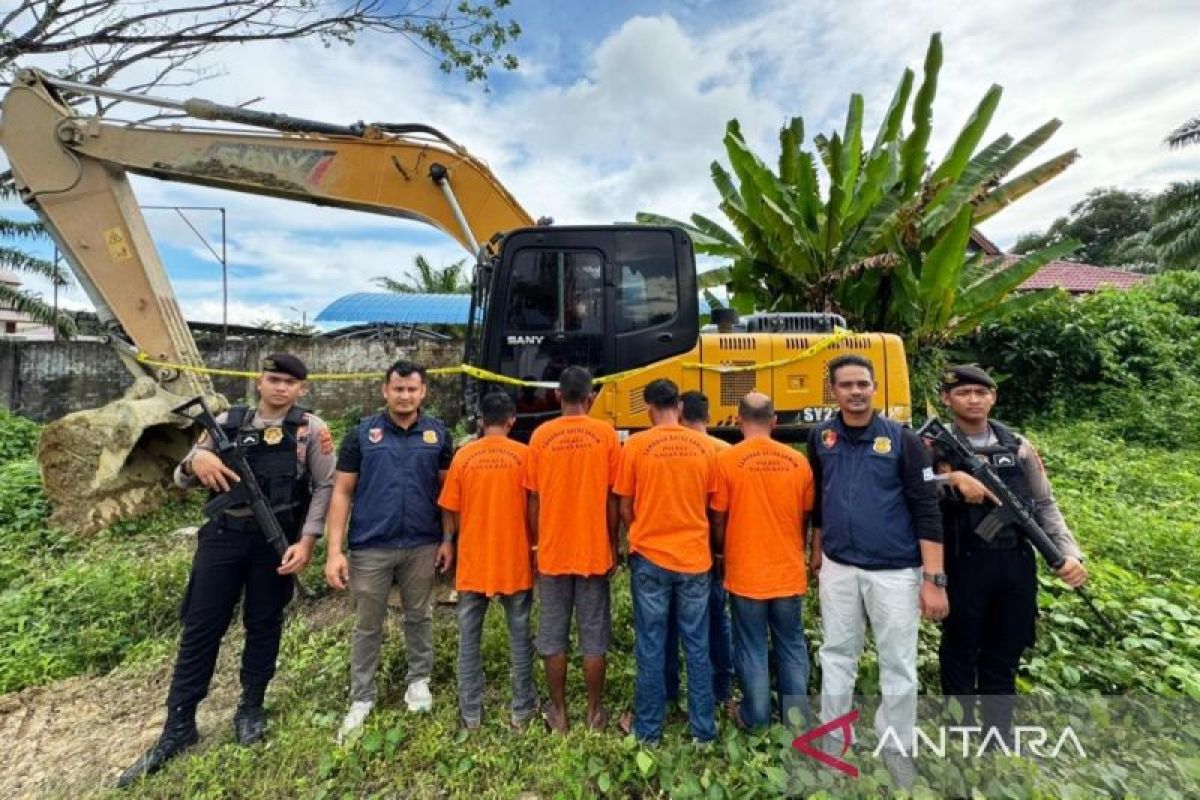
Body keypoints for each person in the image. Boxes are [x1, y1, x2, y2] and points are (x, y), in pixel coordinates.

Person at [118, 354, 335, 787]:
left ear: (302, 389)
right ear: (260, 381)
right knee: (201, 627)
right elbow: (183, 478)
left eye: (290, 383)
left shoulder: (312, 429)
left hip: (276, 540)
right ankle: (178, 726)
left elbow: (326, 486)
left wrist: (308, 541)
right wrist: (194, 462)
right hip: (223, 536)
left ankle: (250, 707)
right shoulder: (223, 421)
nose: (280, 388)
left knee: (264, 624)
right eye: (274, 379)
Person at [807, 354, 946, 789]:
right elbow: (818, 503)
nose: (855, 392)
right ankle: (833, 741)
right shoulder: (821, 438)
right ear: (833, 391)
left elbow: (927, 510)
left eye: (862, 384)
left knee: (899, 662)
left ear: (874, 387)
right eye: (846, 385)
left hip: (894, 572)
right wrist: (815, 553)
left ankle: (897, 746)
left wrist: (933, 580)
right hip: (839, 568)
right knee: (836, 654)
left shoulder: (903, 442)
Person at [932, 365, 1087, 743]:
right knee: (959, 652)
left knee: (1004, 651)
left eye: (981, 392)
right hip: (963, 562)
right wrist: (949, 478)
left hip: (1015, 563)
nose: (973, 399)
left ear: (993, 397)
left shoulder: (1018, 446)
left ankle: (997, 737)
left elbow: (1045, 503)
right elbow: (911, 486)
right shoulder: (929, 445)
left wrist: (1069, 554)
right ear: (946, 399)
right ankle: (959, 736)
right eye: (963, 392)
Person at [325, 360, 453, 740]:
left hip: (422, 543)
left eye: (412, 389)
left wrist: (447, 539)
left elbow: (448, 494)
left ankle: (419, 681)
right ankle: (362, 697)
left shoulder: (437, 434)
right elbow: (342, 492)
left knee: (420, 615)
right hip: (371, 546)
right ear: (385, 391)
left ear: (423, 392)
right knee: (368, 624)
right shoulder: (362, 435)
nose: (405, 396)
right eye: (398, 389)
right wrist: (335, 551)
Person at [615, 378, 718, 745]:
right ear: (680, 405)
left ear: (649, 409)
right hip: (694, 559)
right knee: (697, 646)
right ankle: (704, 733)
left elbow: (625, 506)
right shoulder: (704, 447)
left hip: (650, 559)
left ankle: (649, 732)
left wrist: (640, 530)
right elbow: (713, 505)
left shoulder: (636, 446)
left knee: (651, 644)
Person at [524, 366, 620, 733]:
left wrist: (536, 543)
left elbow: (533, 499)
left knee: (552, 635)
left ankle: (560, 714)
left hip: (552, 551)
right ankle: (595, 713)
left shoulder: (541, 436)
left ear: (558, 397)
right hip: (594, 552)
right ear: (591, 398)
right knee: (593, 637)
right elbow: (613, 499)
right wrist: (612, 543)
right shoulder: (606, 435)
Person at [711, 393, 814, 730]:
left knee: (751, 645)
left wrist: (722, 554)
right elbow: (804, 516)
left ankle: (755, 718)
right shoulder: (797, 462)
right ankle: (796, 720)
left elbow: (719, 519)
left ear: (739, 420)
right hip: (787, 571)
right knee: (791, 645)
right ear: (774, 422)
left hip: (746, 573)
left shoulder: (727, 461)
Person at [437, 392, 537, 730]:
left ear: (481, 421)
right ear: (511, 420)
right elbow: (536, 507)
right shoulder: (525, 456)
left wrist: (449, 542)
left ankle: (470, 715)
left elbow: (449, 507)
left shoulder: (464, 457)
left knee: (469, 639)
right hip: (514, 561)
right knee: (520, 637)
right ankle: (522, 711)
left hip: (473, 562)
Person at [664, 391, 735, 717]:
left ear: (679, 413)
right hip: (712, 554)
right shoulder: (724, 452)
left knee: (667, 628)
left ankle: (668, 692)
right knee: (714, 624)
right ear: (708, 415)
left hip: (670, 552)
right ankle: (721, 690)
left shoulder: (666, 450)